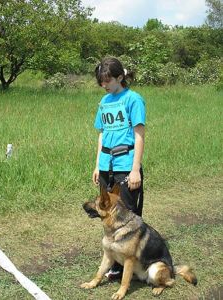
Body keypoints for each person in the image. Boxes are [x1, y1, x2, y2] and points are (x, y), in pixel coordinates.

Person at [92, 57, 146, 280]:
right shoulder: (104, 102)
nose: (104, 85)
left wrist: (135, 169)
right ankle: (115, 262)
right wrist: (97, 165)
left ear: (120, 77)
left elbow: (139, 134)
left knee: (128, 218)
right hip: (106, 165)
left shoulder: (133, 99)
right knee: (109, 216)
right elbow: (102, 133)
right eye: (101, 82)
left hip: (126, 165)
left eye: (108, 81)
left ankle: (131, 265)